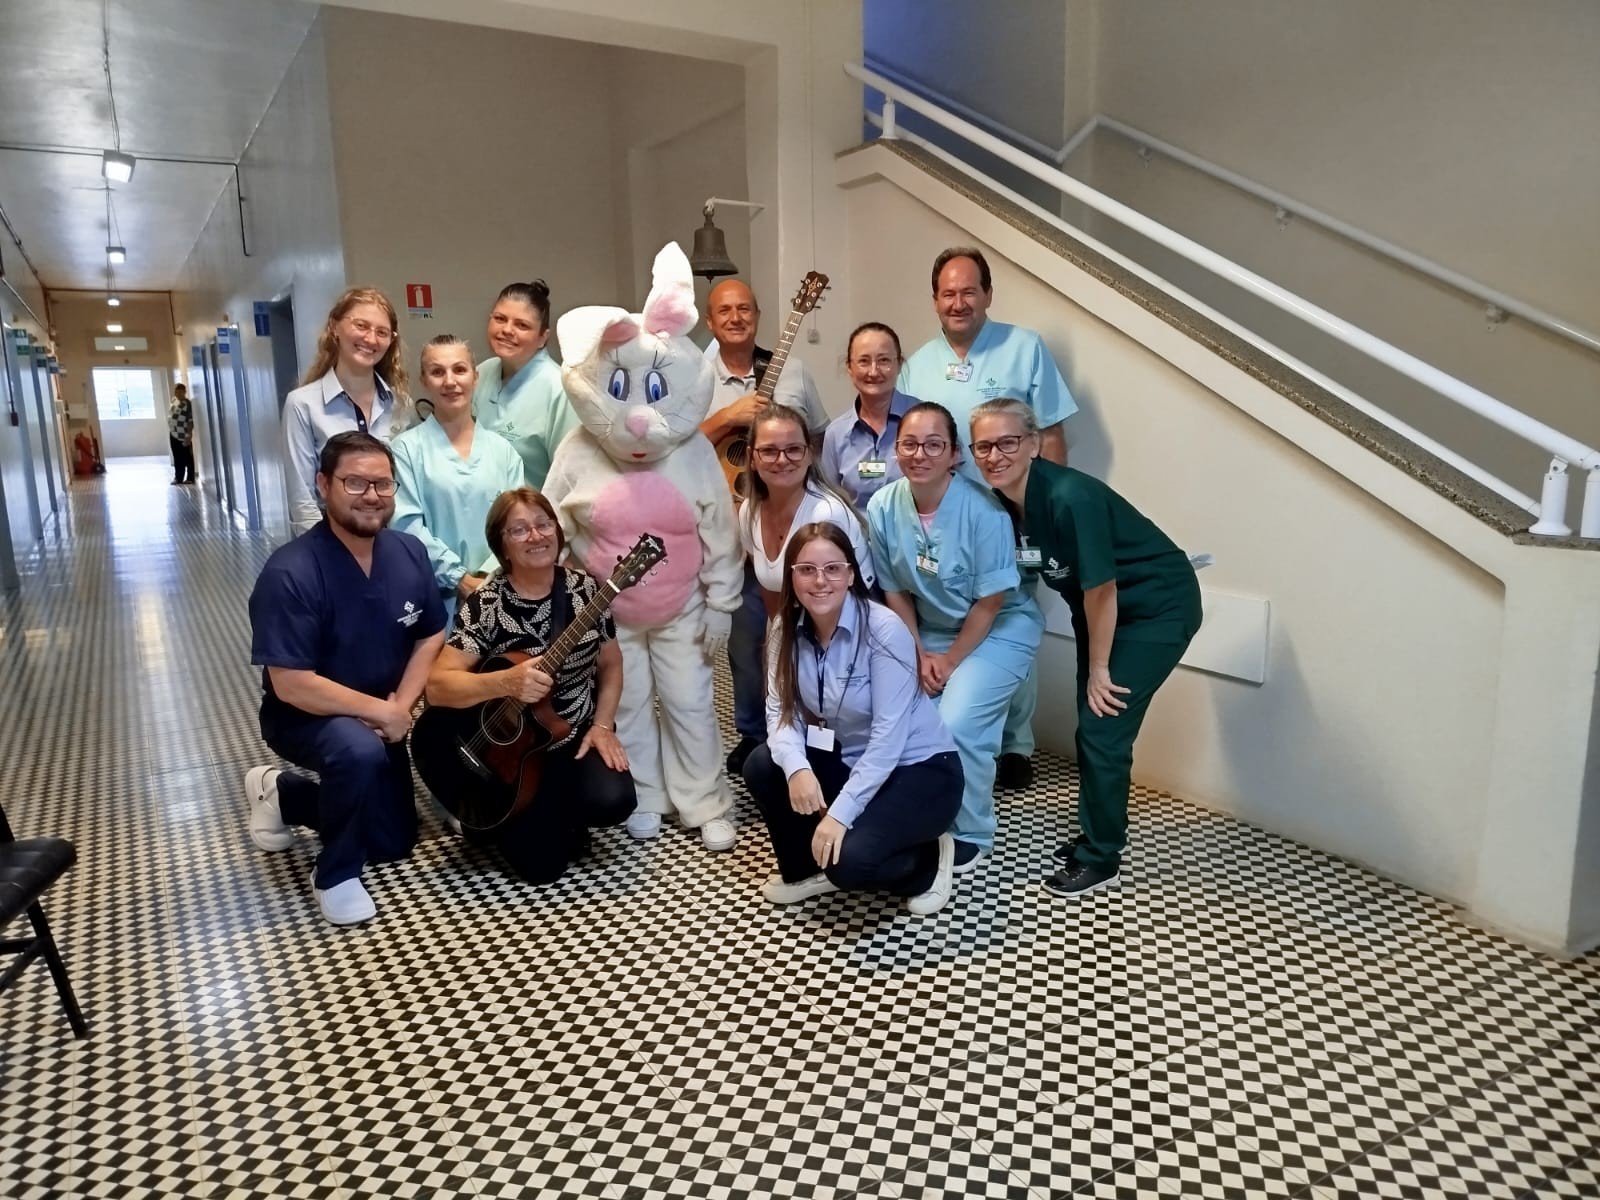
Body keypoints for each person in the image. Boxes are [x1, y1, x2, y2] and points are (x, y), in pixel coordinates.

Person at [971, 398, 1202, 897]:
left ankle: (1102, 857)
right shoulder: (1006, 503)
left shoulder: (1070, 497)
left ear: (1034, 444)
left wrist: (1099, 668)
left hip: (1155, 609)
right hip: (1098, 612)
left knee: (1103, 728)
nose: (994, 455)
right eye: (983, 446)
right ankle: (1098, 830)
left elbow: (1102, 588)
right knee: (1092, 725)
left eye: (1007, 442)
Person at [243, 431, 446, 925]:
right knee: (356, 751)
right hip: (305, 715)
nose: (371, 495)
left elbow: (431, 633)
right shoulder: (290, 572)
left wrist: (401, 706)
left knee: (393, 841)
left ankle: (282, 793)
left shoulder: (408, 553)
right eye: (355, 483)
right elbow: (291, 683)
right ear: (324, 485)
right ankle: (335, 874)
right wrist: (380, 711)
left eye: (383, 484)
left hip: (382, 717)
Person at [900, 247, 1078, 792]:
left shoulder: (1024, 348)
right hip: (944, 521)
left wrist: (1040, 511)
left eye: (969, 291)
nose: (959, 302)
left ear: (988, 295)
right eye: (948, 293)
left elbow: (1051, 435)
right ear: (935, 300)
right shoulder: (918, 365)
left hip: (1011, 515)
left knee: (1012, 616)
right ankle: (962, 733)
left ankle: (1016, 743)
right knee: (958, 618)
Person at [744, 524, 962, 914]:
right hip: (848, 756)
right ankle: (805, 869)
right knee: (763, 764)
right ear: (791, 576)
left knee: (849, 863)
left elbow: (888, 739)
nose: (820, 581)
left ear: (850, 575)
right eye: (806, 569)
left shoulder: (882, 629)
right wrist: (797, 769)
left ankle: (929, 860)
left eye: (833, 569)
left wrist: (839, 814)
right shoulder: (784, 627)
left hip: (918, 768)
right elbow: (780, 711)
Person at [423, 488, 635, 883]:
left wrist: (603, 725)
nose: (536, 536)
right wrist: (506, 681)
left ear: (557, 530)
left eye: (543, 524)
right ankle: (506, 817)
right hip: (506, 751)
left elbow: (611, 664)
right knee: (541, 869)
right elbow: (437, 687)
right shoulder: (487, 603)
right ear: (501, 545)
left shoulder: (588, 590)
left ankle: (543, 814)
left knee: (614, 801)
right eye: (519, 530)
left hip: (570, 734)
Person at [866, 402, 1043, 874]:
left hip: (999, 628)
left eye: (933, 444)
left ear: (955, 454)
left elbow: (991, 601)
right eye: (909, 443)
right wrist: (918, 651)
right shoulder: (883, 506)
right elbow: (894, 589)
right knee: (896, 714)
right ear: (896, 450)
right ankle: (916, 814)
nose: (919, 454)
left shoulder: (984, 511)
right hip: (927, 629)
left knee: (959, 722)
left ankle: (970, 832)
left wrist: (947, 661)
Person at [698, 278, 829, 777]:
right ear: (709, 321)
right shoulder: (693, 376)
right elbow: (676, 446)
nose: (735, 318)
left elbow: (817, 436)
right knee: (745, 642)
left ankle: (809, 727)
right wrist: (727, 417)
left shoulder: (791, 369)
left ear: (758, 315)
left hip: (788, 526)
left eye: (744, 309)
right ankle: (753, 733)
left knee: (802, 638)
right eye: (724, 310)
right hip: (727, 535)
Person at [725, 405, 877, 775]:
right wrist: (780, 664)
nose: (782, 460)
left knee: (834, 746)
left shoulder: (826, 513)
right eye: (769, 451)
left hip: (851, 637)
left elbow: (849, 607)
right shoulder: (749, 513)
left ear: (809, 454)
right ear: (752, 457)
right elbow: (773, 598)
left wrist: (809, 688)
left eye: (793, 449)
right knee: (772, 760)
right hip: (799, 632)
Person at [391, 335, 524, 618]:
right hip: (433, 601)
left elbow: (518, 524)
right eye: (437, 372)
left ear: (475, 377)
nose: (450, 381)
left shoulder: (503, 452)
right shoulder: (405, 450)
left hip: (498, 594)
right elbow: (406, 527)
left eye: (459, 370)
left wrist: (487, 578)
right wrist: (458, 578)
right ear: (424, 381)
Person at [283, 288, 411, 535]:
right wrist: (322, 553)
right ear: (335, 327)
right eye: (361, 326)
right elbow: (303, 502)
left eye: (382, 332)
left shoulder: (401, 404)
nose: (371, 339)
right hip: (329, 543)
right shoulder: (302, 405)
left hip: (391, 540)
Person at [472, 280, 578, 489]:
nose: (507, 330)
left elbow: (569, 478)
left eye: (522, 325)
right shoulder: (482, 373)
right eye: (500, 319)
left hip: (534, 507)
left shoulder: (559, 389)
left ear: (542, 338)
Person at [819, 322, 915, 512]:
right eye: (864, 361)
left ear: (899, 364)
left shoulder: (927, 421)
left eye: (884, 360)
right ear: (849, 367)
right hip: (856, 531)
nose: (873, 371)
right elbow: (829, 503)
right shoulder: (836, 434)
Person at [168, 383, 196, 485]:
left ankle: (190, 478)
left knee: (188, 458)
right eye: (176, 392)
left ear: (185, 392)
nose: (178, 394)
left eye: (180, 392)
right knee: (177, 457)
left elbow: (190, 421)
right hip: (173, 434)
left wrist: (188, 436)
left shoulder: (187, 404)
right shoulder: (174, 400)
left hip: (183, 435)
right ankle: (178, 478)